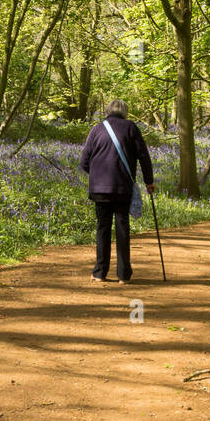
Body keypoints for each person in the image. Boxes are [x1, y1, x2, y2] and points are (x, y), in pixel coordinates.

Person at [78, 99, 155, 283]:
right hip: (122, 188)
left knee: (102, 228)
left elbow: (84, 161)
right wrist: (148, 181)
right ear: (125, 112)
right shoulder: (131, 128)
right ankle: (123, 275)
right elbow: (143, 156)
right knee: (122, 228)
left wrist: (97, 176)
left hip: (99, 190)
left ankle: (99, 273)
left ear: (108, 110)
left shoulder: (96, 129)